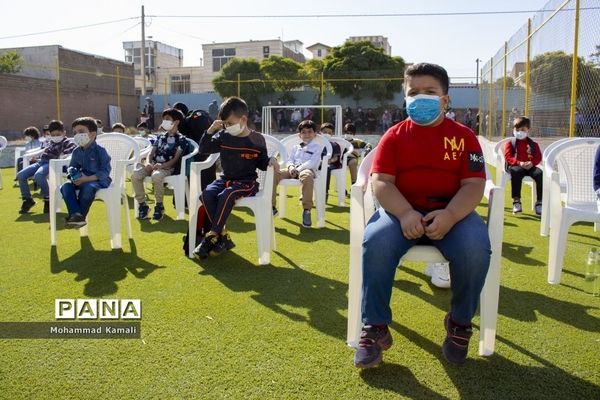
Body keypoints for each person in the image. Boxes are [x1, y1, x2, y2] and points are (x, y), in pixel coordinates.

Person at [354, 63, 490, 368]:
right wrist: (404, 213)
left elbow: (474, 184)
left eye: (430, 92)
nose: (421, 98)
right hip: (400, 212)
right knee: (375, 242)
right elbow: (381, 183)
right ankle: (374, 328)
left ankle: (459, 322)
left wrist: (451, 214)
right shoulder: (394, 136)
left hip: (454, 213)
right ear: (404, 96)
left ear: (445, 99)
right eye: (413, 92)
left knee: (475, 248)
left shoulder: (465, 137)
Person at [192, 96, 276, 258]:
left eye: (230, 123)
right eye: (225, 124)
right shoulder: (224, 136)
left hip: (247, 183)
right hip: (225, 179)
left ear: (243, 119)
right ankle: (223, 237)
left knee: (227, 194)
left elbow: (262, 162)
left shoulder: (257, 139)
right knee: (206, 194)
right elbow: (203, 149)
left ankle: (211, 237)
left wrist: (271, 160)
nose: (227, 127)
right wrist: (210, 131)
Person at [132, 108, 187, 221]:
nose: (164, 121)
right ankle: (143, 205)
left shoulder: (181, 139)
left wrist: (161, 166)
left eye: (167, 119)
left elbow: (176, 159)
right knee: (135, 175)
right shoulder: (160, 137)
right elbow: (151, 152)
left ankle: (159, 206)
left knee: (156, 176)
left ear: (176, 122)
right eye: (163, 119)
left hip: (167, 168)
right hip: (152, 166)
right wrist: (147, 163)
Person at [60, 117, 111, 228]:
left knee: (88, 187)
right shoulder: (76, 151)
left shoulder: (100, 151)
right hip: (81, 181)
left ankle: (77, 217)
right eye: (75, 132)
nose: (77, 135)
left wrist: (86, 179)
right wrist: (74, 177)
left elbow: (105, 171)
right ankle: (77, 216)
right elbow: (72, 168)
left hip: (98, 181)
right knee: (65, 186)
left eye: (81, 132)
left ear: (92, 134)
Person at [17, 121, 76, 214]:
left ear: (64, 132)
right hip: (41, 162)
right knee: (20, 175)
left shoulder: (67, 142)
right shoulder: (49, 142)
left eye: (58, 134)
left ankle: (48, 199)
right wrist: (36, 157)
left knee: (39, 175)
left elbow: (70, 154)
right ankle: (27, 200)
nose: (56, 137)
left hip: (53, 163)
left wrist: (62, 156)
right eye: (53, 135)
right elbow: (43, 151)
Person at [273, 120, 323, 227]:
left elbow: (312, 162)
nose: (306, 134)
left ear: (315, 134)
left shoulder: (317, 147)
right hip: (292, 169)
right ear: (300, 135)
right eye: (303, 132)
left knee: (307, 177)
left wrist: (298, 170)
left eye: (309, 132)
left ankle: (307, 210)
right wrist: (291, 168)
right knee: (274, 174)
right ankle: (271, 206)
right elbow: (290, 160)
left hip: (307, 170)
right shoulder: (296, 147)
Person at [504, 116, 543, 216]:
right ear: (513, 130)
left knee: (539, 173)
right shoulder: (510, 143)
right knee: (516, 172)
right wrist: (519, 163)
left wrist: (532, 163)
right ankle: (516, 201)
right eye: (517, 129)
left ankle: (539, 202)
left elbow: (538, 157)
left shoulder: (533, 144)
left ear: (528, 130)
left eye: (522, 129)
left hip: (530, 166)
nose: (519, 132)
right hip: (516, 166)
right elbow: (508, 157)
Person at [320, 122, 342, 199]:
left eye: (329, 133)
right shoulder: (316, 144)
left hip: (331, 164)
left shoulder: (334, 145)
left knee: (326, 168)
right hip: (318, 163)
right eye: (325, 132)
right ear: (321, 133)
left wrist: (327, 161)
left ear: (332, 134)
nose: (327, 134)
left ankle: (325, 191)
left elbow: (335, 158)